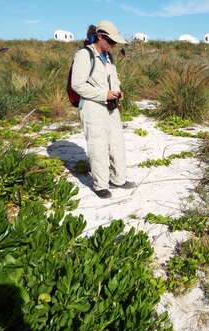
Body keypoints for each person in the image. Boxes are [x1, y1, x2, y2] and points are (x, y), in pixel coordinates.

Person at [71, 20, 135, 198]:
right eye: (111, 42)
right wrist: (103, 94)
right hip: (92, 107)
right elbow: (77, 84)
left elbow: (114, 79)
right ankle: (100, 185)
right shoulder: (84, 55)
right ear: (100, 37)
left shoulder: (109, 57)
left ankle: (119, 179)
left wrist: (117, 92)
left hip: (111, 106)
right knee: (98, 146)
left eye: (115, 42)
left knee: (117, 143)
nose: (114, 46)